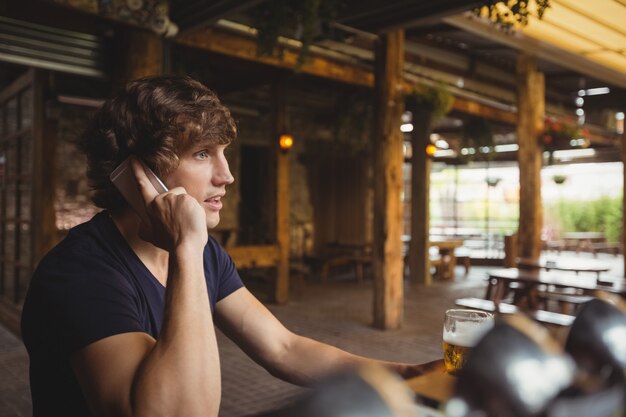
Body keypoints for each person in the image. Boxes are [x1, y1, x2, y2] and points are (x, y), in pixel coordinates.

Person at [21, 75, 439, 417]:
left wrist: (410, 373)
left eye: (224, 153)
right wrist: (186, 246)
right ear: (137, 173)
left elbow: (284, 348)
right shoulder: (80, 273)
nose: (227, 176)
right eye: (202, 154)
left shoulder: (205, 254)